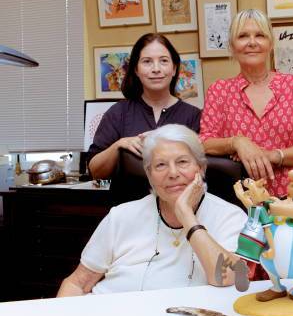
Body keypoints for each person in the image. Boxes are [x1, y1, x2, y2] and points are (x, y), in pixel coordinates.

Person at [199, 9, 293, 277]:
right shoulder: (220, 91)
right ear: (232, 45)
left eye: (259, 35)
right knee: (255, 280)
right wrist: (237, 142)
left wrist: (272, 155)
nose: (252, 42)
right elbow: (204, 142)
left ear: (270, 43)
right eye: (243, 36)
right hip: (249, 202)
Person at [58, 125, 248, 296]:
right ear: (149, 175)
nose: (173, 173)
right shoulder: (121, 216)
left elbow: (227, 277)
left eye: (182, 162)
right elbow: (77, 284)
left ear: (201, 168)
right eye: (160, 165)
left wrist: (187, 216)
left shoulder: (230, 216)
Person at [88, 33, 202, 204]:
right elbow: (95, 171)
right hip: (128, 213)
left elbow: (201, 171)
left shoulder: (193, 116)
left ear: (174, 68)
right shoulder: (118, 113)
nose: (156, 68)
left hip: (180, 215)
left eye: (163, 61)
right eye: (147, 61)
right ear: (136, 69)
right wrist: (119, 145)